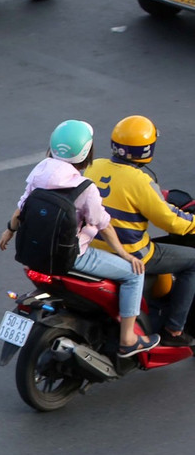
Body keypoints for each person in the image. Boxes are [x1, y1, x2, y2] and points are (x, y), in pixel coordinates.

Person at [0, 120, 157, 358]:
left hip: (34, 252)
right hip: (72, 257)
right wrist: (126, 255)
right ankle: (128, 339)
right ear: (87, 153)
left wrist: (9, 231)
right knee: (134, 273)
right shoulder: (84, 188)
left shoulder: (40, 171)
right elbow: (103, 225)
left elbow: (22, 207)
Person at [84, 116, 195, 346]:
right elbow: (171, 221)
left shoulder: (93, 166)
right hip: (131, 253)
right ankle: (174, 331)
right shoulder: (141, 181)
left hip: (91, 247)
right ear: (147, 149)